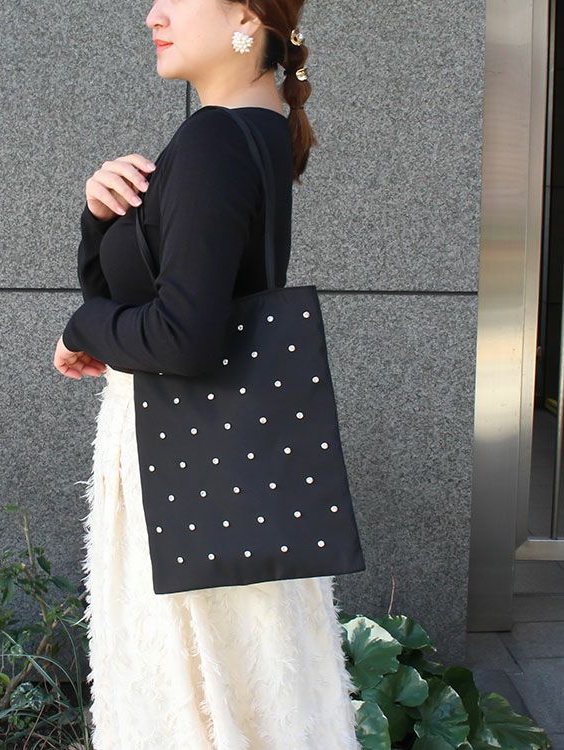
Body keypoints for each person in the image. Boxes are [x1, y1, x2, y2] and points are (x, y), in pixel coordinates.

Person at [53, 1, 361, 747]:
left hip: (178, 471)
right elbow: (147, 299)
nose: (152, 14)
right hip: (221, 473)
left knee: (190, 706)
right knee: (248, 703)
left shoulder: (214, 138)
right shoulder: (258, 128)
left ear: (245, 16)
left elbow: (182, 338)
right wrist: (103, 219)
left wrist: (79, 328)